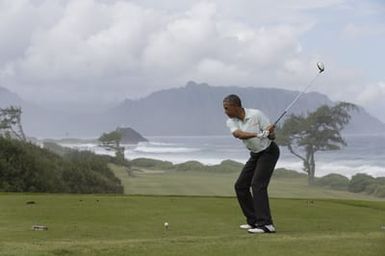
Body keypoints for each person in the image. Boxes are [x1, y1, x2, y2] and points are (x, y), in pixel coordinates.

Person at [223, 94, 280, 234]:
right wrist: (256, 135)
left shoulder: (256, 114)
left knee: (257, 185)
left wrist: (269, 133)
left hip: (269, 152)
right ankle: (254, 221)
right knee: (241, 186)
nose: (225, 111)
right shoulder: (231, 121)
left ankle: (266, 224)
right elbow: (238, 134)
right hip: (255, 154)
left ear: (236, 107)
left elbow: (273, 136)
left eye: (227, 108)